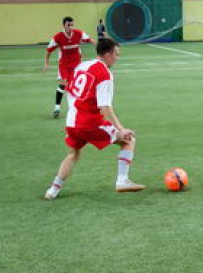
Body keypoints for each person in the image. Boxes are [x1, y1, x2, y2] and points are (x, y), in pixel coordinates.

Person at [44, 38, 145, 200]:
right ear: (107, 55)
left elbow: (70, 90)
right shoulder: (104, 74)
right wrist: (121, 129)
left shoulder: (82, 66)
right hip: (89, 122)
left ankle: (52, 190)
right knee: (128, 139)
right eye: (116, 54)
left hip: (72, 121)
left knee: (73, 154)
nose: (117, 58)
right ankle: (122, 181)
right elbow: (105, 107)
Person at [44, 16, 95, 118]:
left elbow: (90, 40)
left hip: (77, 65)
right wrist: (46, 63)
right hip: (64, 65)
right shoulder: (58, 37)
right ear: (63, 25)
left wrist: (96, 46)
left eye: (72, 25)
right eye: (68, 25)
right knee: (63, 84)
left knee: (77, 86)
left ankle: (78, 107)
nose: (71, 27)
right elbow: (49, 50)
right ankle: (57, 108)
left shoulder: (78, 33)